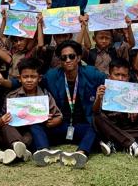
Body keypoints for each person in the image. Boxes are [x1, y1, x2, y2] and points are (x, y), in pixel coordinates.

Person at [39, 40, 106, 168]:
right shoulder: (51, 76)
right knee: (37, 127)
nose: (68, 60)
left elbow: (112, 82)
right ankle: (44, 151)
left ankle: (81, 153)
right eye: (64, 58)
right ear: (60, 60)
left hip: (82, 126)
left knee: (96, 127)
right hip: (59, 125)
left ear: (79, 58)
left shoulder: (91, 74)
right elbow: (32, 82)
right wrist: (4, 81)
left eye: (72, 56)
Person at [0, 58, 63, 165]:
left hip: (34, 134)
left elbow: (59, 117)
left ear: (39, 78)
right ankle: (18, 146)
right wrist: (2, 121)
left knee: (34, 129)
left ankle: (13, 153)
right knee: (5, 127)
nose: (29, 80)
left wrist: (50, 121)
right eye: (25, 77)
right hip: (14, 132)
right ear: (19, 78)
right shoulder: (12, 96)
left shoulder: (45, 96)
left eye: (33, 77)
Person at [92, 57, 138, 157]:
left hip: (126, 128)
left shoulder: (136, 91)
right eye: (117, 75)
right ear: (110, 76)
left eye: (124, 75)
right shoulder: (103, 89)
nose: (120, 78)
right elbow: (95, 111)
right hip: (109, 127)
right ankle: (131, 144)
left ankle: (114, 144)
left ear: (128, 77)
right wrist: (98, 98)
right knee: (97, 118)